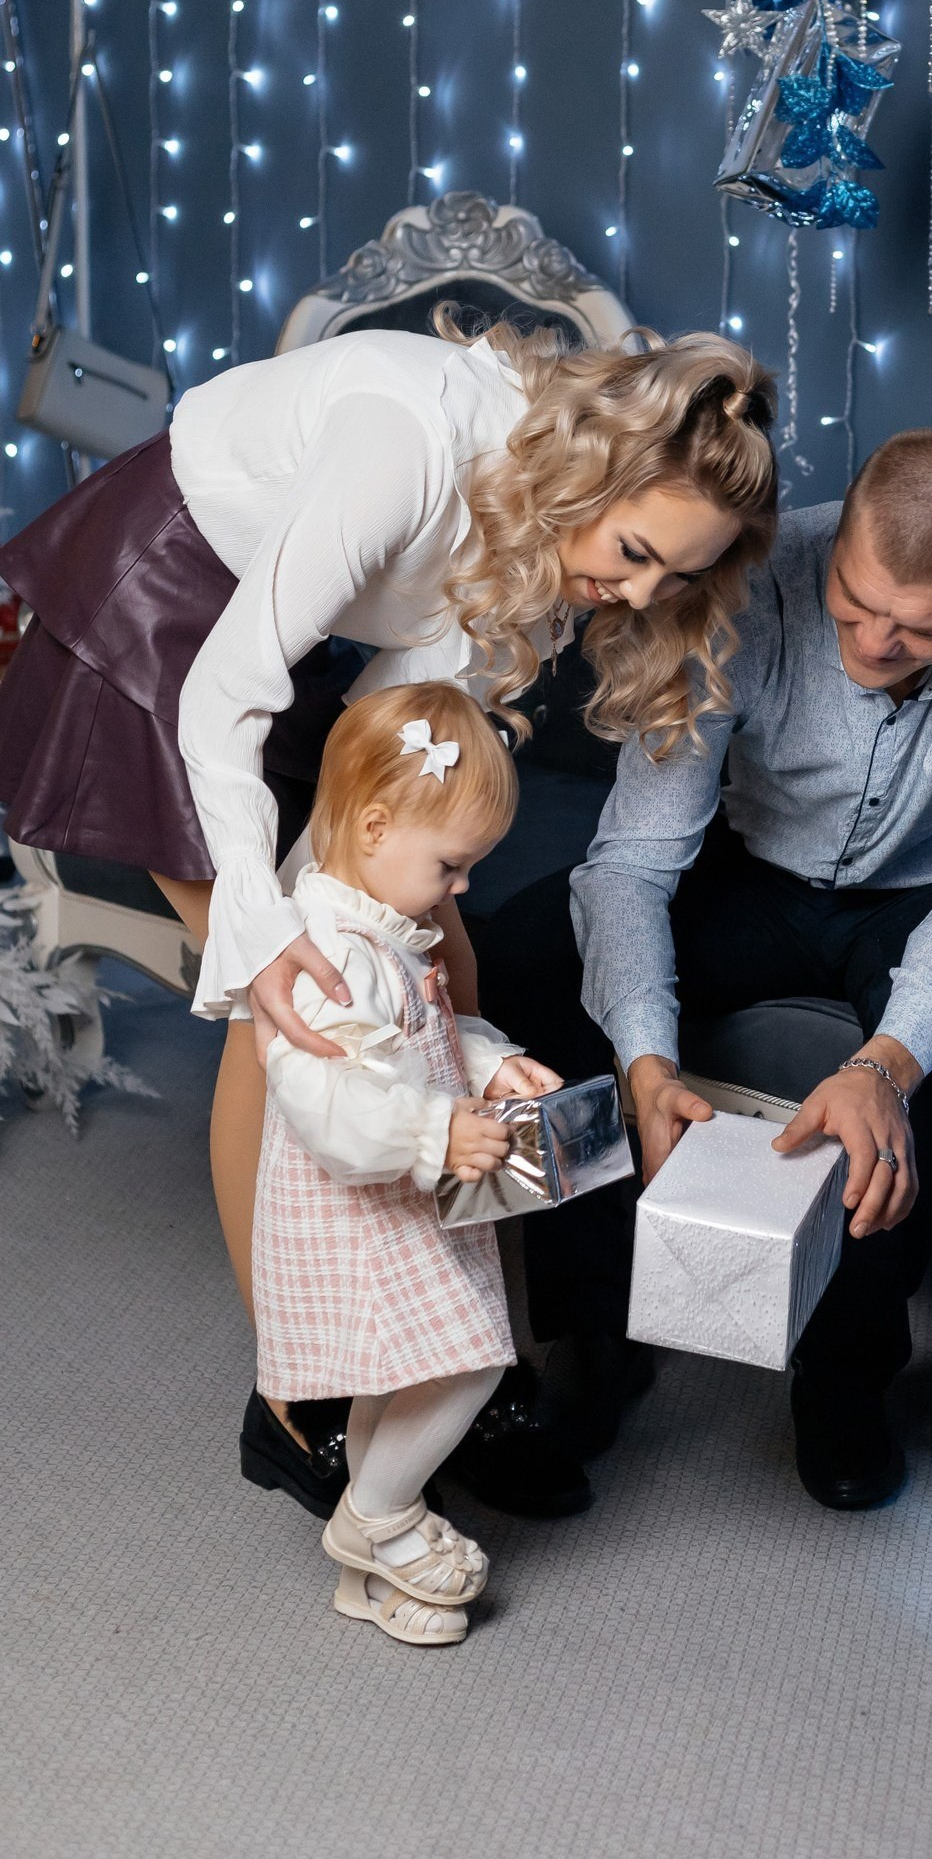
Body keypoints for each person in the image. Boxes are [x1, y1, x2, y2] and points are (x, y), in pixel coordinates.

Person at [0, 315, 776, 1513]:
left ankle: (452, 1362)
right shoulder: (403, 445)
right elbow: (226, 693)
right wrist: (274, 928)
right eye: (632, 553)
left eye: (673, 577)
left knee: (435, 974)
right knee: (301, 1014)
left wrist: (376, 925)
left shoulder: (556, 533)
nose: (637, 594)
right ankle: (299, 1402)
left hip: (316, 667)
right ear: (591, 471)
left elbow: (405, 709)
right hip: (165, 631)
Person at [550, 427, 932, 1509]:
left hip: (923, 893)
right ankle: (590, 1328)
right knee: (547, 974)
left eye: (922, 627)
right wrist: (646, 1060)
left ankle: (844, 1373)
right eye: (856, 605)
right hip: (745, 865)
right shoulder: (747, 580)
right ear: (836, 536)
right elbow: (631, 861)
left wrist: (886, 1066)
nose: (878, 641)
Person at [253, 679, 561, 1650]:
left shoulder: (390, 928)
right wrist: (437, 1135)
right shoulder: (330, 953)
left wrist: (491, 1058)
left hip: (399, 1200)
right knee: (468, 1362)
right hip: (360, 1207)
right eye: (452, 866)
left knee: (398, 1372)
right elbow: (330, 1105)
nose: (462, 889)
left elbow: (433, 1037)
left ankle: (364, 1569)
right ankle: (378, 1517)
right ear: (377, 825)